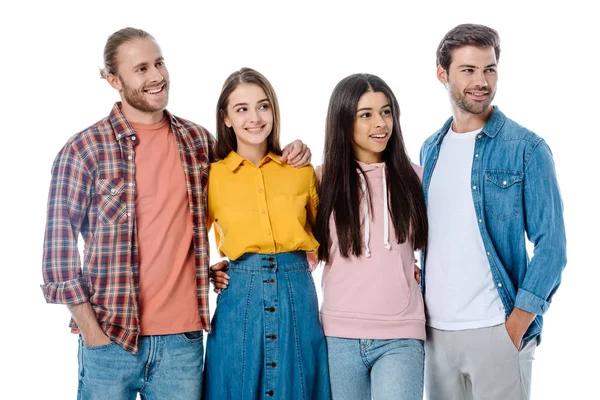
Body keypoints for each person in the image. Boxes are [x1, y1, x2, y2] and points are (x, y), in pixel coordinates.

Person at [40, 28, 311, 399]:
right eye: (141, 69)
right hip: (112, 338)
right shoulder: (84, 150)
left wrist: (294, 151)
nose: (156, 76)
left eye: (159, 63)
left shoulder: (197, 142)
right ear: (113, 80)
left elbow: (246, 186)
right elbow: (58, 251)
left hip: (182, 344)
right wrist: (92, 331)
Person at [420, 23, 567, 400]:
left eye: (489, 69)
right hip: (435, 335)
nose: (481, 81)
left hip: (496, 330)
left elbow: (552, 246)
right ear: (442, 74)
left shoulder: (526, 148)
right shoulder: (430, 149)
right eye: (468, 70)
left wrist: (519, 322)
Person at [202, 67, 331, 400]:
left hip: (297, 295)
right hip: (239, 298)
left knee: (300, 385)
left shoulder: (299, 171)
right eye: (241, 109)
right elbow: (185, 240)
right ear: (226, 118)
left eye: (263, 106)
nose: (254, 117)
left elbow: (327, 237)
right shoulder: (212, 176)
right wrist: (207, 272)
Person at [311, 73, 428, 400]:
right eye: (366, 114)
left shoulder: (416, 178)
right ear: (343, 121)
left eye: (387, 111)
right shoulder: (320, 182)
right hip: (338, 335)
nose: (381, 123)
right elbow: (299, 250)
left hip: (401, 336)